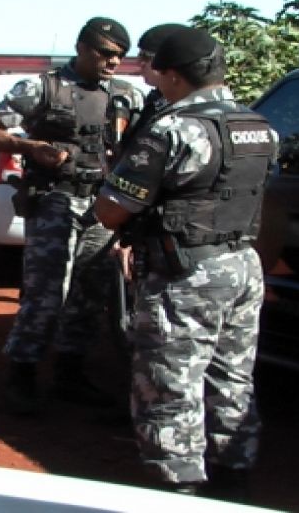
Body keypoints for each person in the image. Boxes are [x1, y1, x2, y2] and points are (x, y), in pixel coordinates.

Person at [91, 27, 278, 497]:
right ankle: (234, 481)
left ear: (173, 75)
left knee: (169, 383)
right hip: (243, 266)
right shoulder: (260, 126)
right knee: (232, 377)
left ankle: (179, 491)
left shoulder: (172, 130)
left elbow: (111, 211)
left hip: (186, 272)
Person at [0, 17, 143, 414]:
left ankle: (70, 374)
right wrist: (30, 147)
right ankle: (22, 374)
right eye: (106, 53)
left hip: (101, 205)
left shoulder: (125, 95)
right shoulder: (41, 88)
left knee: (90, 292)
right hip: (54, 200)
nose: (113, 62)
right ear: (82, 48)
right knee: (46, 293)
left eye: (120, 55)